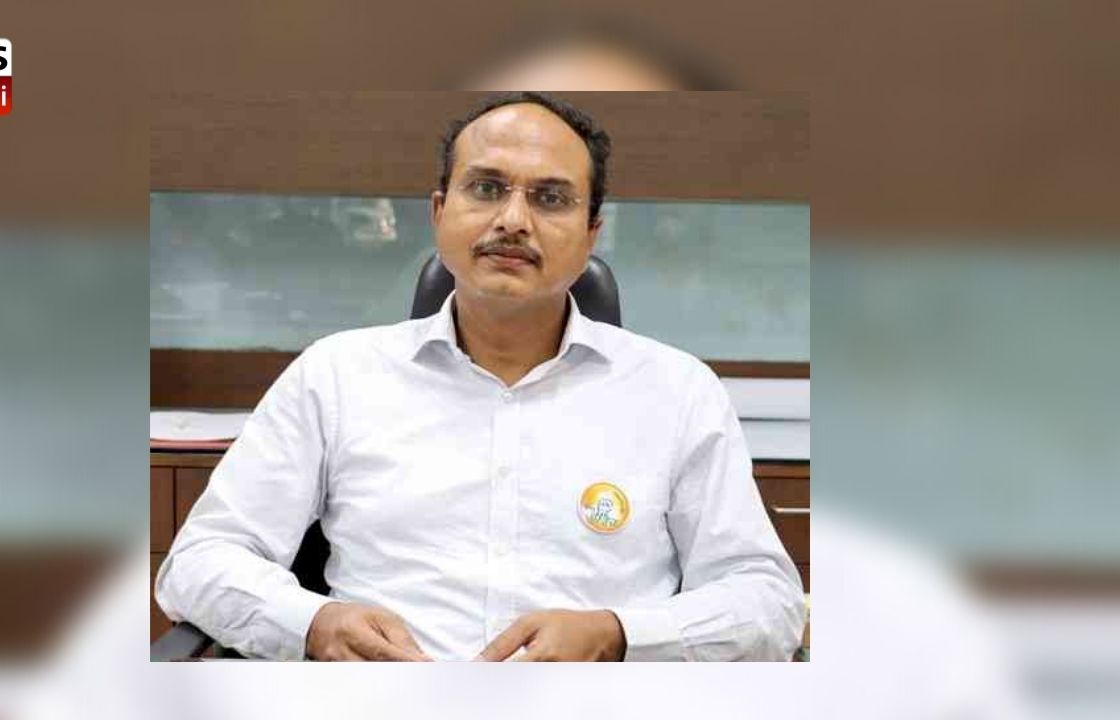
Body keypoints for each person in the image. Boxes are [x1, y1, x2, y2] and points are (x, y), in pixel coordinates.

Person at [154, 92, 804, 661]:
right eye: (487, 188)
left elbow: (767, 601)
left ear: (591, 233)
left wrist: (618, 636)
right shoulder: (336, 376)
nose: (513, 220)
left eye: (551, 198)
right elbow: (199, 562)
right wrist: (314, 623)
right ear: (440, 211)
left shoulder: (677, 392)